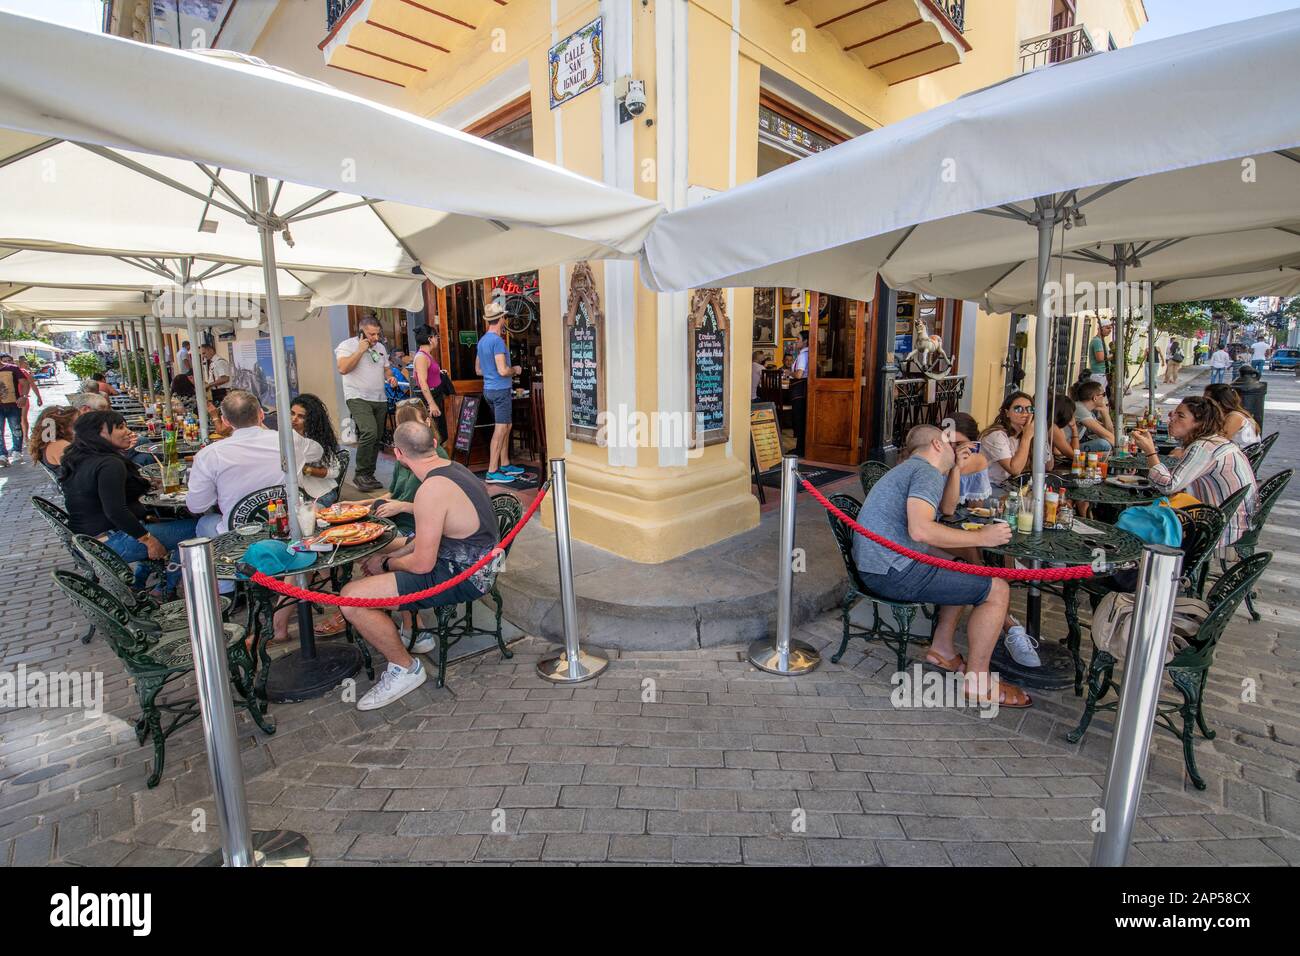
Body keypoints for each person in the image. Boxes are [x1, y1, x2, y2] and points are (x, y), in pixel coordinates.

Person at [851, 425, 1028, 707]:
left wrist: (956, 468)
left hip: (878, 566)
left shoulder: (916, 469)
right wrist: (980, 537)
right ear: (936, 444)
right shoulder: (926, 472)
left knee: (960, 566)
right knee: (997, 589)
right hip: (892, 571)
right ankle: (978, 683)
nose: (959, 449)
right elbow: (921, 530)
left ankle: (942, 650)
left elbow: (946, 510)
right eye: (952, 443)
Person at [339, 421, 502, 710]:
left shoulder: (430, 489)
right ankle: (414, 630)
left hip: (463, 575)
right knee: (380, 547)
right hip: (474, 563)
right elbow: (427, 537)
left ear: (398, 454)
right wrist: (387, 557)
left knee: (351, 599)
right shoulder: (456, 468)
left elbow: (422, 564)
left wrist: (387, 564)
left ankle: (405, 667)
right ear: (434, 441)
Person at [60, 411, 198, 595]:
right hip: (112, 543)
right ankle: (166, 588)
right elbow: (115, 511)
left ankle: (139, 582)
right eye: (119, 427)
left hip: (89, 542)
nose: (128, 431)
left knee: (158, 523)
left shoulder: (79, 459)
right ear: (99, 434)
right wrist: (149, 541)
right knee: (198, 528)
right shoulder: (109, 464)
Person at [186, 390, 323, 537]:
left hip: (238, 535)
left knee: (205, 522)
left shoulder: (208, 455)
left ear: (225, 421)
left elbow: (197, 506)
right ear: (261, 414)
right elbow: (318, 452)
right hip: (288, 527)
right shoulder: (290, 440)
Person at [1134, 397, 1256, 551]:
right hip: (1232, 518)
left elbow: (1169, 486)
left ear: (1199, 423)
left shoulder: (1203, 447)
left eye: (1181, 416)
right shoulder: (1214, 441)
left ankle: (1141, 561)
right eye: (1174, 414)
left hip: (1222, 526)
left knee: (1143, 520)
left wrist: (1150, 452)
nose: (1172, 419)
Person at [335, 316, 397, 492]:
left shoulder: (380, 347)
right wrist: (360, 350)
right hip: (357, 396)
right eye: (371, 334)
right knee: (369, 432)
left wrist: (390, 377)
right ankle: (360, 473)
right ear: (361, 332)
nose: (375, 338)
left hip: (379, 397)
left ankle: (369, 475)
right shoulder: (347, 345)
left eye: (377, 334)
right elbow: (343, 368)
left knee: (377, 438)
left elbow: (385, 367)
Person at [474, 301, 523, 484]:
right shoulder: (497, 341)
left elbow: (478, 369)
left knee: (506, 426)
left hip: (489, 389)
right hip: (500, 390)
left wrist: (491, 373)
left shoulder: (482, 341)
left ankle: (505, 463)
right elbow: (503, 370)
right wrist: (515, 369)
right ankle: (493, 470)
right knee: (501, 428)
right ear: (501, 318)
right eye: (505, 317)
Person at [289, 394, 344, 505]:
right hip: (294, 494)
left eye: (301, 416)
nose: (294, 419)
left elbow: (334, 472)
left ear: (311, 419)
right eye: (292, 413)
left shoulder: (319, 439)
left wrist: (305, 470)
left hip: (320, 494)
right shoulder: (284, 435)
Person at [980, 392, 1035, 486]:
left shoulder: (1026, 433)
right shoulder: (996, 435)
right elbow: (1014, 469)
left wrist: (1042, 434)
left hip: (1010, 485)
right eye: (1018, 409)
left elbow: (1048, 465)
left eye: (1030, 409)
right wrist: (1026, 438)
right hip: (989, 486)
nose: (1025, 413)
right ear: (1007, 413)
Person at [411, 326, 446, 442]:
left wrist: (439, 373)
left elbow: (428, 373)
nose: (437, 339)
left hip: (435, 395)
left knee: (439, 434)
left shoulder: (427, 355)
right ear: (430, 338)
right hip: (429, 398)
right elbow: (422, 381)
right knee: (434, 436)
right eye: (436, 337)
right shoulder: (421, 357)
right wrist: (431, 404)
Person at [1204, 383, 1261, 449]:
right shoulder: (1230, 414)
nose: (1204, 403)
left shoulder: (1234, 417)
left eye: (1207, 401)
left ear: (1218, 403)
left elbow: (1218, 441)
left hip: (1240, 456)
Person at [1069, 380, 1115, 452]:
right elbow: (1107, 436)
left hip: (1074, 444)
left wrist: (1105, 413)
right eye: (1103, 394)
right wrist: (1122, 448)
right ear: (1095, 398)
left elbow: (1108, 432)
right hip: (1067, 447)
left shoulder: (1087, 411)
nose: (1105, 397)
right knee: (1104, 444)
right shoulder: (1079, 409)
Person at [30, 404, 77, 470]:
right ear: (61, 427)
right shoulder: (58, 445)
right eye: (74, 424)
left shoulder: (48, 443)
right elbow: (82, 470)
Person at [0, 354, 25, 464]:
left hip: (13, 404)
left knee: (16, 428)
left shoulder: (12, 368)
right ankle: (2, 454)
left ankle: (17, 451)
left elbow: (24, 383)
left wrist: (23, 396)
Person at [790, 330, 810, 456]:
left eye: (798, 339)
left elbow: (798, 374)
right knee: (800, 418)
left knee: (799, 417)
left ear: (805, 341)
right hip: (802, 388)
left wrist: (788, 373)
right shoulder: (805, 354)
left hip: (799, 388)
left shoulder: (803, 355)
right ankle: (800, 447)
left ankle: (800, 449)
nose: (796, 341)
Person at [1049, 393, 1080, 470]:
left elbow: (1057, 452)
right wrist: (1074, 428)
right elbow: (1074, 455)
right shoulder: (1052, 427)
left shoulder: (1053, 425)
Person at [15, 357, 42, 443]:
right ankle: (18, 439)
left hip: (23, 398)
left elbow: (32, 385)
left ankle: (25, 437)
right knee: (15, 420)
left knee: (23, 418)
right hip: (10, 400)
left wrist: (38, 397)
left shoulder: (23, 372)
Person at [1087, 319, 1112, 387]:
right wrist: (1114, 355)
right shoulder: (1097, 341)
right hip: (1099, 375)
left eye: (1111, 328)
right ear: (1100, 328)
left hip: (1102, 374)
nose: (1110, 330)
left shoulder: (1100, 341)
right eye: (1107, 328)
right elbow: (1100, 358)